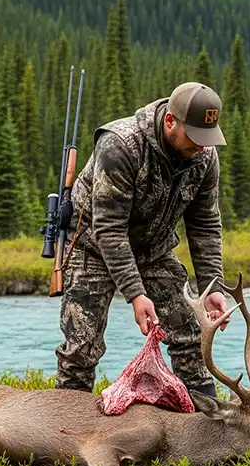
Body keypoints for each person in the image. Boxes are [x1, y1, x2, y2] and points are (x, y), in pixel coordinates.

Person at [54, 81, 231, 399]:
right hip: (92, 246)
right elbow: (109, 230)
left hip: (154, 248)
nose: (201, 148)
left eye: (207, 139)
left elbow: (204, 226)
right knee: (80, 348)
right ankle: (67, 434)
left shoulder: (205, 158)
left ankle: (207, 429)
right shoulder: (120, 145)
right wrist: (136, 294)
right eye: (194, 138)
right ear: (169, 122)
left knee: (190, 333)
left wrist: (212, 287)